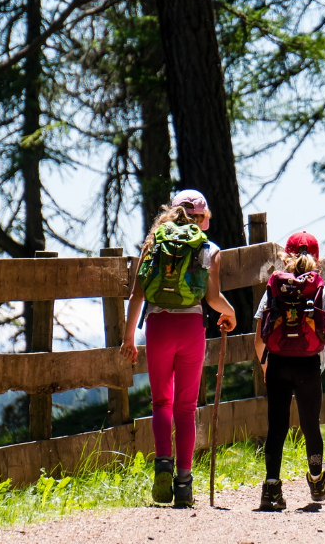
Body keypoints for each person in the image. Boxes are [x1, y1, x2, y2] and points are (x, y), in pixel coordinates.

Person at [120, 190, 236, 507]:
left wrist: (129, 337)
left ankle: (162, 465)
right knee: (185, 408)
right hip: (190, 329)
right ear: (202, 218)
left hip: (158, 327)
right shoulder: (209, 249)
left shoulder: (154, 243)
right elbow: (212, 299)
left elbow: (137, 295)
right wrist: (231, 313)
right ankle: (184, 483)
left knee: (161, 402)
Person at [254, 231, 325, 511]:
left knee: (277, 427)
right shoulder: (322, 291)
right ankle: (318, 479)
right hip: (308, 365)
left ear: (285, 257)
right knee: (310, 425)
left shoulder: (273, 290)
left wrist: (265, 366)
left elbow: (259, 335)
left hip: (277, 363)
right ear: (317, 259)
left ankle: (271, 488)